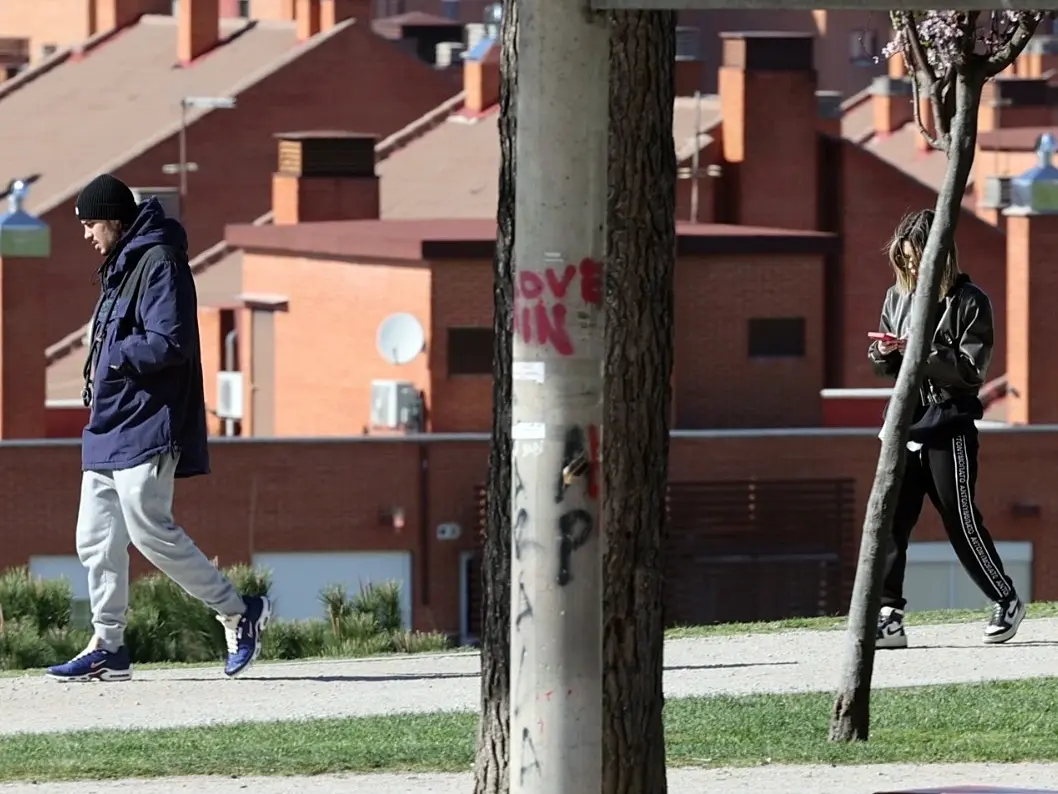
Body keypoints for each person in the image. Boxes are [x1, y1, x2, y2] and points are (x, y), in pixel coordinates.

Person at [46, 174, 270, 682]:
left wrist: (111, 354)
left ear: (116, 221)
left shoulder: (160, 263)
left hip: (147, 421)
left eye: (91, 224)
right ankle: (108, 645)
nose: (86, 235)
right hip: (109, 423)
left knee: (150, 531)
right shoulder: (121, 265)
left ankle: (238, 611)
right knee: (95, 539)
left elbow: (169, 343)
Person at [868, 208, 1024, 650]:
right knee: (891, 520)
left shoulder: (970, 301)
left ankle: (1005, 598)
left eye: (917, 259)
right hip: (903, 423)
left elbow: (971, 370)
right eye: (905, 261)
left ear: (939, 255)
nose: (911, 268)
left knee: (959, 520)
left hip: (947, 424)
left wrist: (918, 350)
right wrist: (885, 355)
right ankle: (888, 614)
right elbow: (888, 364)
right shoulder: (896, 297)